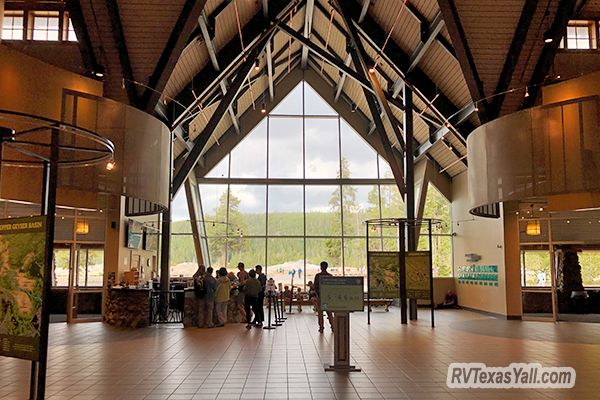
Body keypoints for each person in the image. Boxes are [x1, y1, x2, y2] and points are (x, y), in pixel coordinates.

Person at [314, 261, 334, 333]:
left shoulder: (317, 276)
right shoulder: (330, 276)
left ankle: (321, 328)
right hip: (327, 298)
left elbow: (315, 287)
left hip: (320, 298)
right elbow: (332, 288)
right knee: (329, 312)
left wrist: (318, 296)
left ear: (321, 267)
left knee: (320, 313)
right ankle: (333, 326)